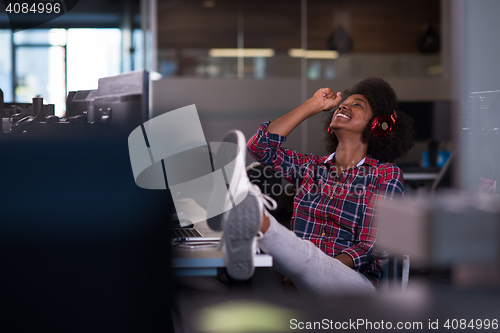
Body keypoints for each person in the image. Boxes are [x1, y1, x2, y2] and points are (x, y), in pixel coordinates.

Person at [213, 77, 414, 297]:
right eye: (342, 103)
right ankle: (250, 224)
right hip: (297, 268)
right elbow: (260, 147)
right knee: (247, 274)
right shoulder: (310, 167)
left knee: (304, 259)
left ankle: (257, 220)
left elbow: (367, 248)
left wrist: (307, 268)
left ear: (377, 125)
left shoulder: (385, 174)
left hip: (353, 282)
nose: (344, 105)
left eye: (357, 104)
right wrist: (314, 104)